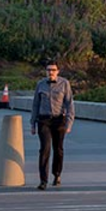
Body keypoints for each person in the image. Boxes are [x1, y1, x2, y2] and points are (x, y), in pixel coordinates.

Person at [31, 61, 74, 190]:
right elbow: (35, 105)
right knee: (45, 149)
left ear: (58, 71)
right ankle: (43, 180)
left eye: (53, 70)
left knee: (58, 149)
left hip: (59, 120)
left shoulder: (64, 84)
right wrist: (33, 123)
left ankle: (57, 174)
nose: (51, 72)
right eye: (48, 70)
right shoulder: (40, 84)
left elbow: (69, 104)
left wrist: (69, 122)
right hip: (44, 120)